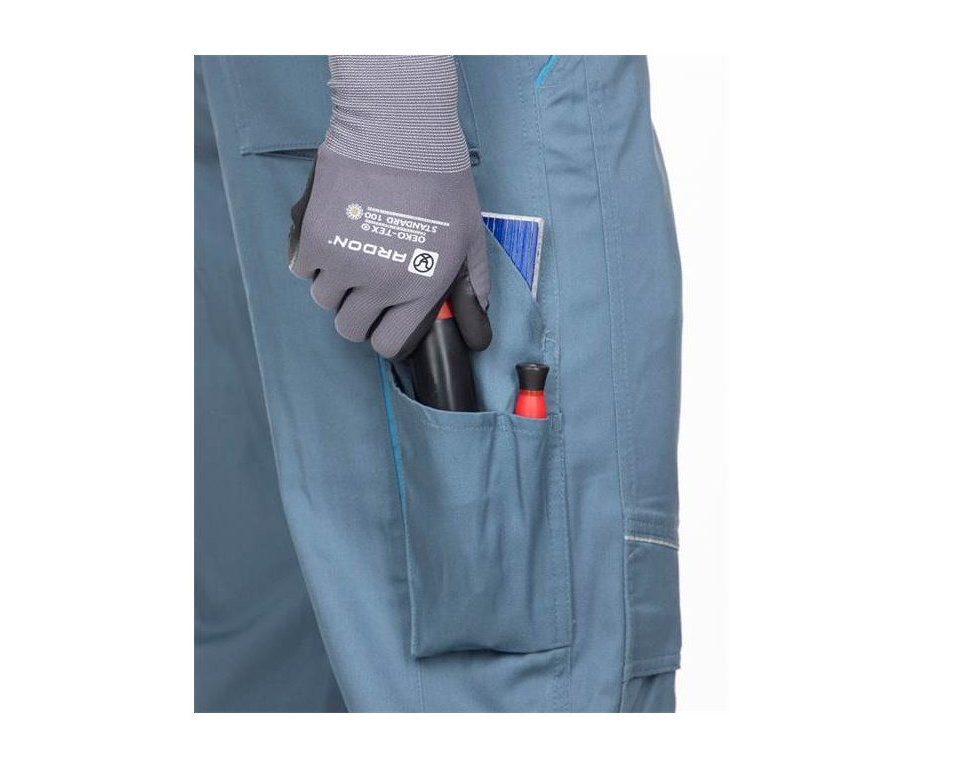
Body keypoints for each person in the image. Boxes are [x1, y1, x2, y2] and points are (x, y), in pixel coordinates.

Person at [195, 55, 682, 712]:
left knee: (289, 636)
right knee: (524, 676)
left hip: (269, 103)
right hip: (444, 100)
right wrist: (397, 97)